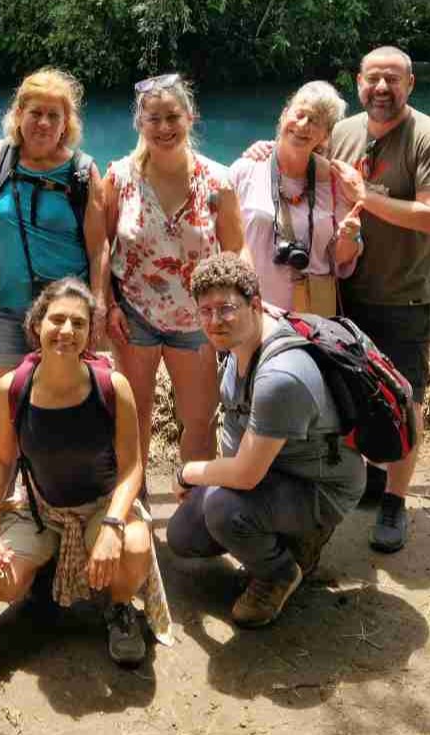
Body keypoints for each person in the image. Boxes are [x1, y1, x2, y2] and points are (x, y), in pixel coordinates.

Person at [241, 47, 430, 553]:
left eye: (393, 80)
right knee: (343, 395)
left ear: (411, 83)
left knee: (405, 395)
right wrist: (260, 150)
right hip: (340, 292)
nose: (382, 89)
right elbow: (299, 147)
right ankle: (361, 480)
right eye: (373, 79)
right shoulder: (345, 131)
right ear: (360, 82)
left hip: (401, 292)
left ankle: (395, 501)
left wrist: (365, 196)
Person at [0, 278, 172, 666]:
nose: (66, 331)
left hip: (100, 507)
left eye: (78, 323)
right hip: (41, 509)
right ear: (36, 326)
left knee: (134, 547)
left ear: (90, 333)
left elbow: (132, 468)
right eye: (56, 320)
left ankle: (119, 607)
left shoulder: (112, 387)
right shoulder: (13, 388)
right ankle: (43, 575)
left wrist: (113, 523)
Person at [167, 253, 365, 628]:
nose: (214, 322)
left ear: (255, 305)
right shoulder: (243, 338)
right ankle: (274, 535)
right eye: (205, 311)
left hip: (318, 485)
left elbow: (244, 476)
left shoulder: (281, 377)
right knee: (183, 536)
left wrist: (188, 472)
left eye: (225, 309)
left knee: (224, 508)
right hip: (275, 469)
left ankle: (281, 569)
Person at [102, 74, 243, 464]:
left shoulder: (218, 180)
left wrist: (238, 306)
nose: (164, 128)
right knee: (134, 415)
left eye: (172, 117)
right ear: (140, 124)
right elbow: (101, 244)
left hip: (198, 319)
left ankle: (193, 502)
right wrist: (107, 303)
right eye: (154, 119)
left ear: (190, 117)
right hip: (134, 316)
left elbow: (235, 249)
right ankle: (135, 500)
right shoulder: (118, 177)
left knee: (199, 420)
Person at [0, 69, 108, 429]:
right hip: (9, 306)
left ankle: (48, 486)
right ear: (18, 115)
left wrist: (98, 305)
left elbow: (99, 247)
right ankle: (2, 488)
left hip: (65, 314)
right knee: (0, 416)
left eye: (54, 115)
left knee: (61, 417)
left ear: (66, 124)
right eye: (35, 112)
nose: (44, 123)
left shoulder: (81, 172)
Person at [230, 80, 363, 315]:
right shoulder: (245, 169)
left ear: (325, 135)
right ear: (284, 115)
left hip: (313, 313)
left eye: (315, 121)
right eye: (299, 114)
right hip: (252, 309)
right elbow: (222, 241)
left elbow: (339, 260)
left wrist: (350, 237)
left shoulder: (334, 181)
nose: (303, 125)